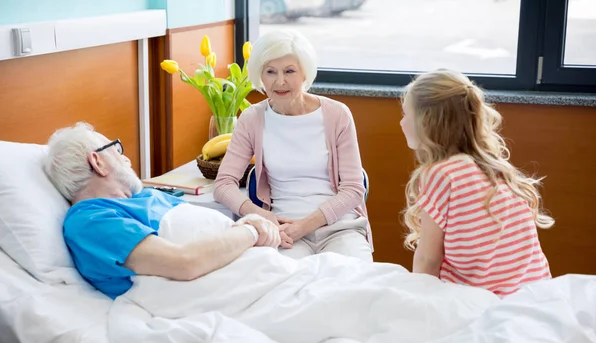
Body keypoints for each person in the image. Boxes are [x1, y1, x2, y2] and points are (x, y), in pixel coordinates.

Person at [44, 122, 281, 299]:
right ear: (97, 162)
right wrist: (251, 229)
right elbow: (184, 263)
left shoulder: (147, 196)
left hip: (261, 272)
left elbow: (211, 236)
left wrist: (249, 227)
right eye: (116, 149)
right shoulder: (90, 221)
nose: (126, 159)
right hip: (234, 292)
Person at [214, 29, 373, 262]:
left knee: (349, 288)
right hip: (283, 232)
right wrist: (260, 215)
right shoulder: (252, 118)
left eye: (289, 71)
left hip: (340, 228)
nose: (280, 81)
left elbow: (354, 189)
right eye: (270, 72)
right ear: (260, 75)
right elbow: (223, 185)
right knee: (283, 289)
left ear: (304, 74)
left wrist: (304, 225)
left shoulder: (337, 114)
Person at [400, 69, 554, 297]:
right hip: (534, 296)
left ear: (427, 122)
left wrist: (416, 304)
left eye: (405, 114)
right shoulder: (497, 168)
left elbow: (428, 260)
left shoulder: (441, 175)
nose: (402, 122)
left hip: (480, 304)